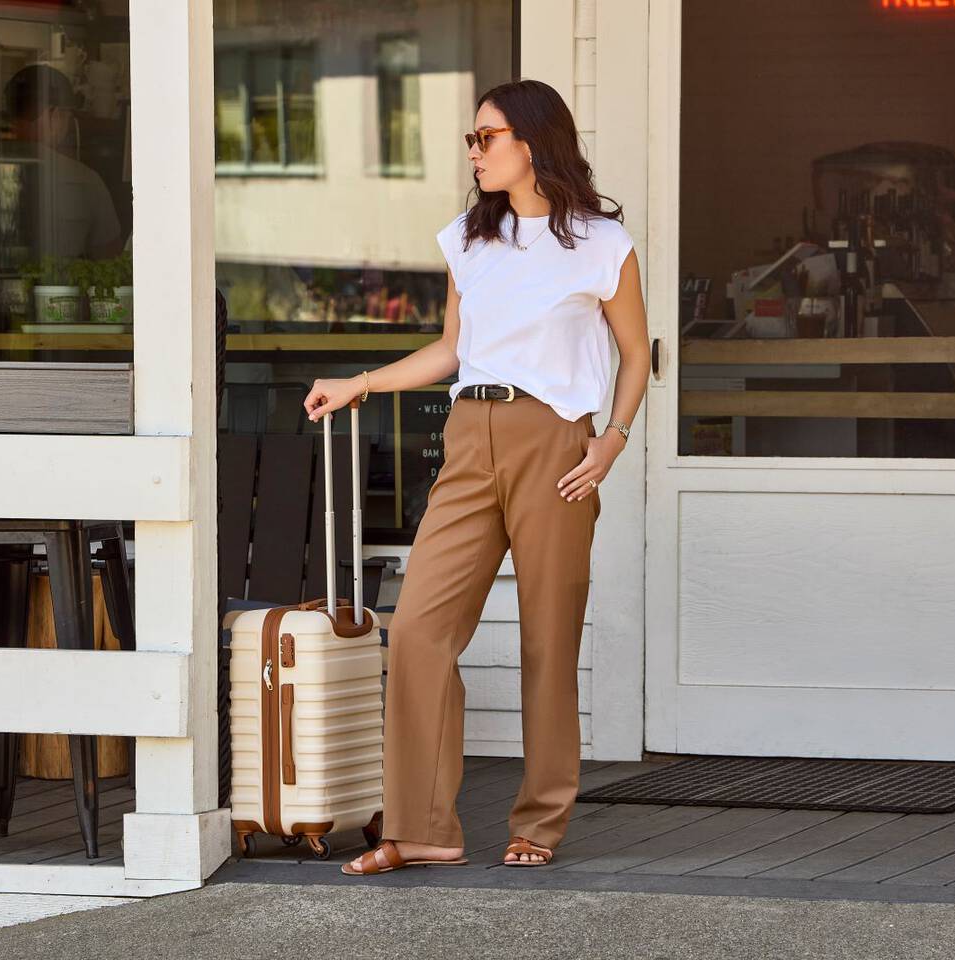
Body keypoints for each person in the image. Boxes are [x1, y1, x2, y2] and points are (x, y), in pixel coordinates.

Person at [302, 79, 650, 875]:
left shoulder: (601, 244)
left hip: (555, 442)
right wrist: (362, 381)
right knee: (420, 629)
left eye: (485, 137)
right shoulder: (467, 237)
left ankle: (540, 822)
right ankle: (424, 828)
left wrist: (611, 443)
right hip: (470, 436)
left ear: (532, 143)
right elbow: (451, 351)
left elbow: (636, 355)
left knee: (547, 641)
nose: (473, 150)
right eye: (472, 138)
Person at [0, 63, 123, 264]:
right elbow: (109, 266)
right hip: (57, 295)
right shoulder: (85, 181)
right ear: (55, 116)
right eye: (68, 117)